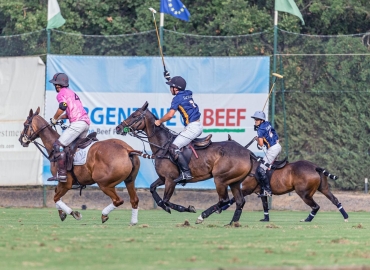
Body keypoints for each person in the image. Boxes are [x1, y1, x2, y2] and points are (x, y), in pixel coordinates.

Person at [154, 74, 203, 184]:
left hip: (192, 128)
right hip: (197, 125)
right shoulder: (187, 93)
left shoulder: (177, 98)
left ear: (175, 88)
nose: (170, 89)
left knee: (173, 147)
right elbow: (180, 86)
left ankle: (186, 173)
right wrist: (170, 79)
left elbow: (170, 115)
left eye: (171, 86)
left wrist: (159, 121)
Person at [47, 73, 91, 182]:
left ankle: (62, 174)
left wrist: (54, 119)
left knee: (58, 145)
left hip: (77, 123)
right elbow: (71, 110)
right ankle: (76, 175)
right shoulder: (72, 93)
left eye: (55, 84)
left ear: (58, 85)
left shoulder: (61, 93)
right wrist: (62, 117)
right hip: (85, 123)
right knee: (73, 149)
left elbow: (63, 106)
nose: (55, 86)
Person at [251, 111, 281, 197]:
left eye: (257, 119)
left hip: (272, 150)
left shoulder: (260, 130)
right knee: (268, 167)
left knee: (261, 169)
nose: (255, 121)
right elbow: (273, 132)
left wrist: (257, 139)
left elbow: (260, 144)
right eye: (255, 119)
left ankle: (268, 190)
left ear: (261, 120)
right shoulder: (267, 123)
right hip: (277, 146)